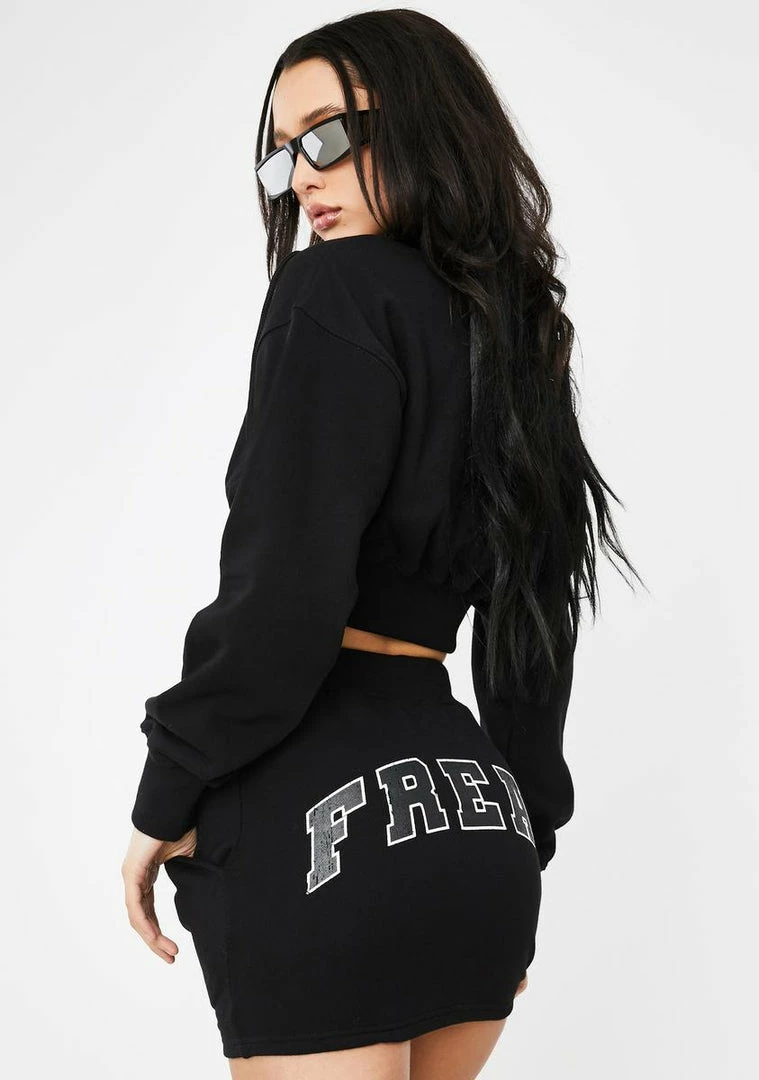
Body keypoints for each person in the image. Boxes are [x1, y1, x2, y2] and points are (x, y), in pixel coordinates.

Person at [121, 10, 641, 1079]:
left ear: (423, 120)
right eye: (281, 152)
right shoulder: (517, 335)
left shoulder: (331, 289)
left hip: (319, 820)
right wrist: (523, 833)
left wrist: (166, 790)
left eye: (327, 132)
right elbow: (533, 626)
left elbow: (282, 597)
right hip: (476, 826)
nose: (302, 175)